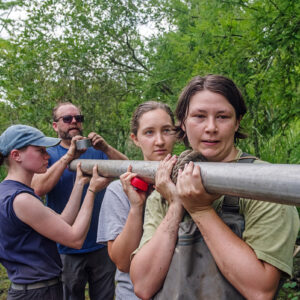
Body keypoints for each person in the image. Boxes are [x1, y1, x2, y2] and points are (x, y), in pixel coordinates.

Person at [130, 75, 300, 299]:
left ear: (237, 122)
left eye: (222, 117)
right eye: (199, 116)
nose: (211, 128)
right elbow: (143, 285)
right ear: (182, 122)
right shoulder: (168, 181)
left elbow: (261, 290)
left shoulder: (267, 184)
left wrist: (201, 209)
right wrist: (176, 204)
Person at [0, 124, 110, 300]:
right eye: (40, 150)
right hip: (38, 292)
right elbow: (75, 238)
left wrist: (80, 184)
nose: (47, 155)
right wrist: (92, 191)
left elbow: (63, 222)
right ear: (16, 155)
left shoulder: (9, 191)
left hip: (30, 289)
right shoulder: (22, 200)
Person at [31, 102, 128, 300]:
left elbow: (128, 167)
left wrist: (106, 148)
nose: (74, 121)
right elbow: (38, 188)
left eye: (78, 118)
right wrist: (69, 156)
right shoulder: (47, 154)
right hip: (65, 247)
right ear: (55, 126)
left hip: (101, 242)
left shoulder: (97, 150)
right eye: (67, 119)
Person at [97, 101, 177, 299]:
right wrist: (136, 207)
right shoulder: (119, 190)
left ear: (176, 133)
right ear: (135, 138)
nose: (159, 141)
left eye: (166, 130)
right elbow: (123, 263)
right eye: (149, 132)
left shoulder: (191, 181)